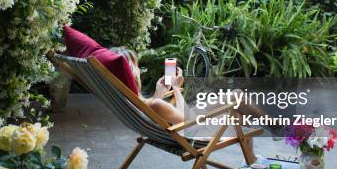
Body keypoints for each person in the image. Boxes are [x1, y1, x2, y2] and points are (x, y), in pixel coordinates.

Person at [110, 47, 270, 127]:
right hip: (192, 126)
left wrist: (159, 93)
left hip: (186, 120)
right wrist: (176, 87)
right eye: (136, 67)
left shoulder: (127, 98)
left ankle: (256, 156)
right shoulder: (153, 104)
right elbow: (186, 121)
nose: (138, 70)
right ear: (132, 73)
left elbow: (153, 110)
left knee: (236, 102)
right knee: (237, 103)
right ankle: (277, 127)